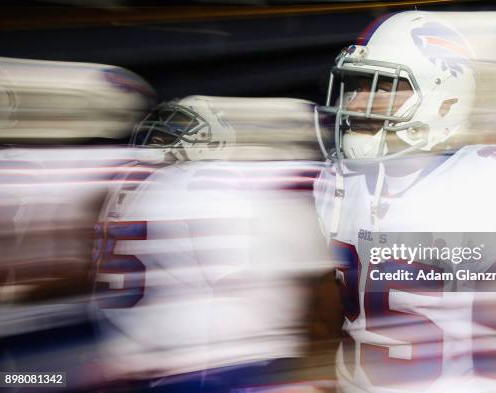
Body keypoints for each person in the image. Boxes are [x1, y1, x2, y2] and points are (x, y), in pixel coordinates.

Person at [313, 10, 496, 393]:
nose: (356, 103)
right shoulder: (338, 182)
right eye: (355, 84)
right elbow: (328, 320)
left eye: (384, 85)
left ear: (446, 101)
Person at [92, 95, 337, 393]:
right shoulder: (254, 189)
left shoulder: (150, 189)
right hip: (234, 362)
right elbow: (320, 297)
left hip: (144, 360)